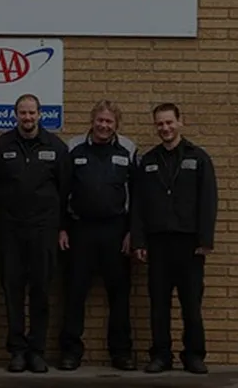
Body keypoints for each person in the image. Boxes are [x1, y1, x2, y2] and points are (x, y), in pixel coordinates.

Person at [0, 94, 70, 373]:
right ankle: (18, 351)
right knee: (13, 291)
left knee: (41, 291)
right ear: (15, 115)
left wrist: (61, 227)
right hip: (9, 232)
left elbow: (65, 190)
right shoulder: (1, 146)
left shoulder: (56, 147)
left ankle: (37, 351)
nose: (28, 117)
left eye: (32, 112)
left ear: (40, 114)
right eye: (23, 113)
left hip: (44, 232)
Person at [131, 102, 218, 375]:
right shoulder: (148, 161)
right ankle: (161, 356)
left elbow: (208, 200)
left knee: (191, 304)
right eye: (160, 123)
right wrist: (139, 241)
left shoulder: (199, 158)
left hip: (190, 245)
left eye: (169, 122)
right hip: (158, 243)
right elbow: (138, 204)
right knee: (159, 305)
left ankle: (194, 355)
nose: (165, 128)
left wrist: (205, 240)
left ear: (180, 122)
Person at [57, 100, 137, 371]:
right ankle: (70, 352)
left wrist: (132, 232)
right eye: (100, 120)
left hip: (116, 231)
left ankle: (121, 352)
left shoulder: (128, 149)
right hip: (80, 230)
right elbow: (61, 191)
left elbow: (137, 196)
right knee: (74, 292)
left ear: (116, 124)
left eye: (109, 121)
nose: (104, 125)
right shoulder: (73, 148)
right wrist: (62, 227)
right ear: (92, 121)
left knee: (119, 295)